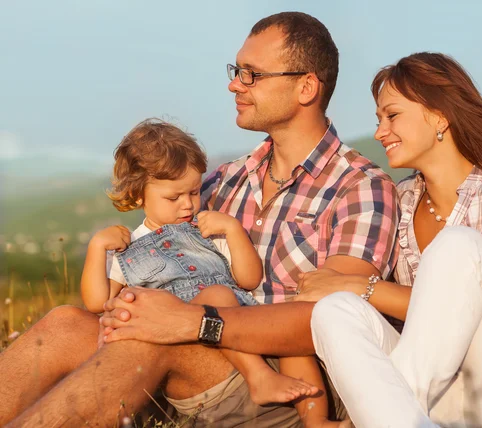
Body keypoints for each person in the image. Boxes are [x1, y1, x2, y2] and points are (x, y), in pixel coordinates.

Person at [0, 12, 399, 427]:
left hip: (293, 384)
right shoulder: (221, 182)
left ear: (306, 86)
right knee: (65, 324)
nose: (234, 84)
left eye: (252, 74)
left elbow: (338, 321)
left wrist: (191, 321)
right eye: (237, 71)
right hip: (203, 358)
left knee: (155, 339)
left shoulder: (360, 188)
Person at [301, 52, 482, 427]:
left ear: (439, 115)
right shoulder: (400, 201)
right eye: (378, 120)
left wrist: (356, 284)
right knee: (335, 312)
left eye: (392, 115)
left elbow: (473, 302)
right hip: (443, 402)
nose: (380, 132)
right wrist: (346, 293)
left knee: (458, 245)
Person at [80, 118, 341, 428]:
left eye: (193, 192)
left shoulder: (208, 228)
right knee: (217, 295)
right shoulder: (129, 248)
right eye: (173, 198)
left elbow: (248, 279)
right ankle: (258, 377)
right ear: (138, 196)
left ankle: (316, 420)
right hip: (186, 337)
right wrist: (97, 248)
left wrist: (232, 231)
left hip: (241, 321)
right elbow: (97, 303)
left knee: (289, 338)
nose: (187, 205)